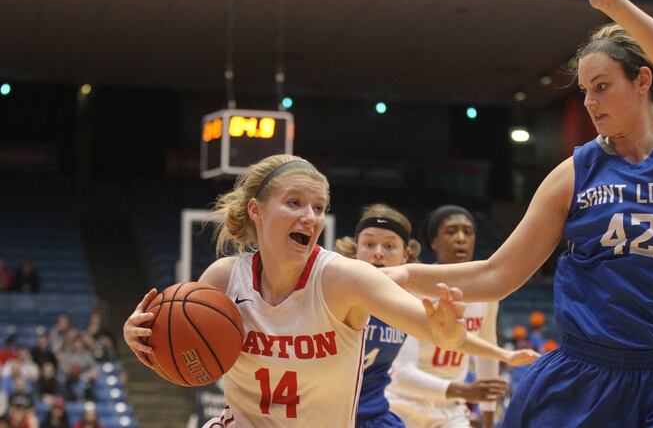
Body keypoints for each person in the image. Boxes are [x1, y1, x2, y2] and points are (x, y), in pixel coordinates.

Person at [383, 0, 653, 424]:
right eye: (585, 90)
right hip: (583, 375)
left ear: (643, 80)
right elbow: (496, 274)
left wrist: (613, 3)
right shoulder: (574, 174)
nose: (589, 102)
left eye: (602, 87)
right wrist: (408, 275)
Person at [123, 154, 468, 428]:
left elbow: (437, 332)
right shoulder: (224, 280)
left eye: (318, 208)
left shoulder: (344, 279)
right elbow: (182, 351)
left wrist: (447, 328)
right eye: (295, 203)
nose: (310, 217)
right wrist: (141, 335)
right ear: (255, 210)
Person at [334, 204, 538, 428]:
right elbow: (404, 372)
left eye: (389, 245)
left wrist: (504, 355)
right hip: (391, 405)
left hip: (406, 412)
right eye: (369, 244)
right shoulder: (346, 289)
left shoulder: (408, 298)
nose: (378, 252)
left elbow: (451, 338)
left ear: (406, 255)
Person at [385, 205, 514, 428]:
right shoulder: (414, 287)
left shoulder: (487, 295)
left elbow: (487, 351)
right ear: (434, 242)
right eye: (451, 231)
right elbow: (402, 373)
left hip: (450, 409)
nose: (461, 238)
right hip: (403, 403)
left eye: (468, 231)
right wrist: (462, 390)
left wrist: (489, 418)